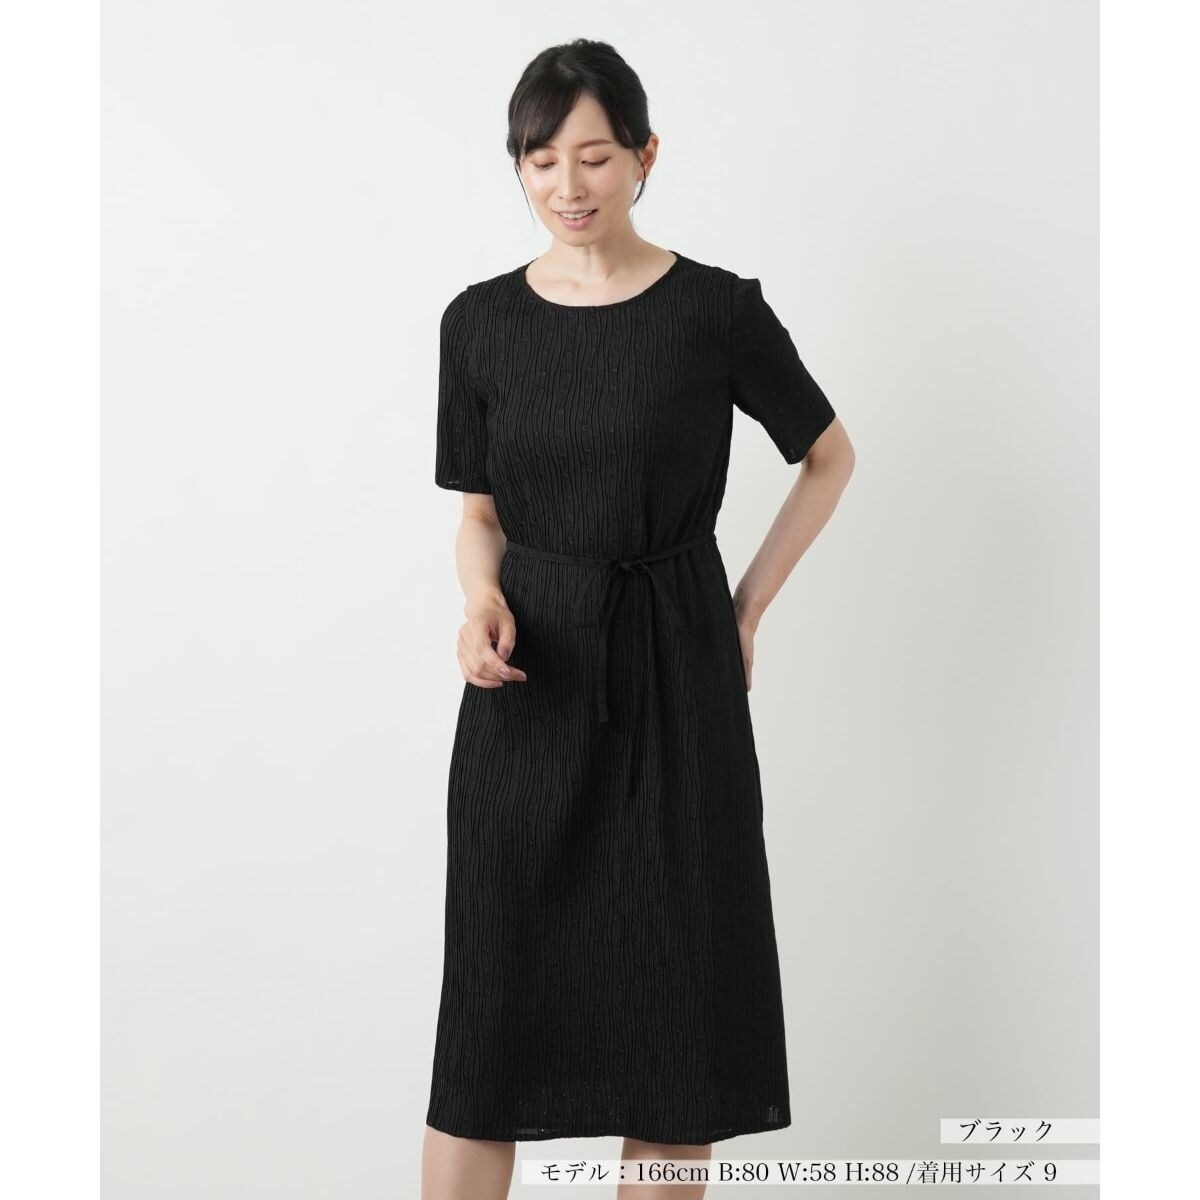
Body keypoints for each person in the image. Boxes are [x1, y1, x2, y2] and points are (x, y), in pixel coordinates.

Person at [422, 38, 856, 1200]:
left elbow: (828, 455)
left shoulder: (715, 312)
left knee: (674, 1032)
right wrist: (481, 601)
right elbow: (480, 515)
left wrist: (746, 609)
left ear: (646, 156)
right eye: (541, 160)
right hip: (528, 690)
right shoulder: (479, 324)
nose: (568, 185)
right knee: (487, 1033)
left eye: (595, 156)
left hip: (677, 675)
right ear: (518, 166)